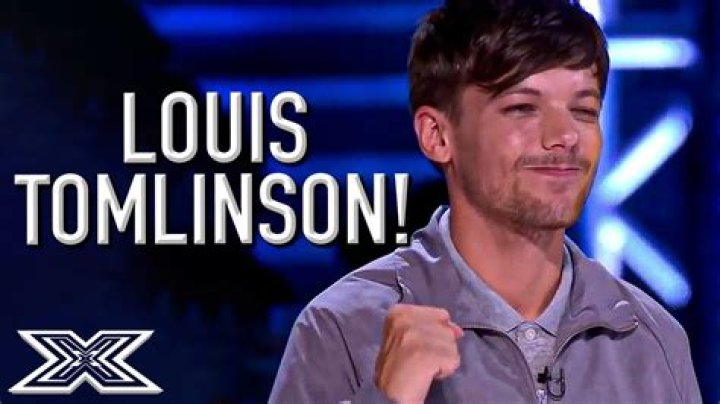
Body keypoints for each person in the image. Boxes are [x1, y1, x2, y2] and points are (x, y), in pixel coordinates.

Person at [269, 0, 702, 402]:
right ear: (437, 136)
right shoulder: (342, 329)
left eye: (584, 111)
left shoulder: (649, 338)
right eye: (523, 108)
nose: (565, 136)